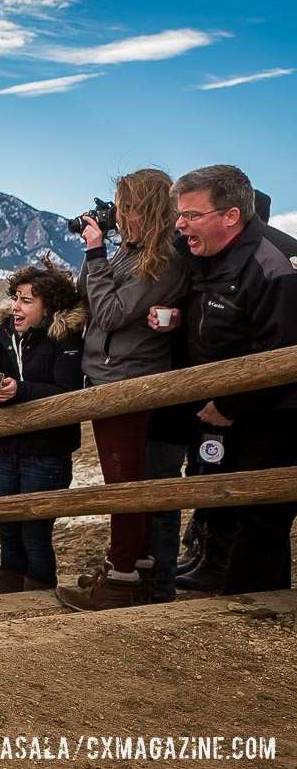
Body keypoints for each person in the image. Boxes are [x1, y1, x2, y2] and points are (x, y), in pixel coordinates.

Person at [152, 165, 297, 595]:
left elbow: (283, 354)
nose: (180, 225)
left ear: (231, 215)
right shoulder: (206, 251)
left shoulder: (276, 265)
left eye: (191, 215)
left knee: (260, 509)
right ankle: (222, 576)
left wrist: (232, 405)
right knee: (224, 497)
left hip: (276, 413)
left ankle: (255, 605)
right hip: (222, 405)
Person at [56, 169, 187, 611]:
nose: (117, 215)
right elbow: (85, 296)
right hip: (110, 375)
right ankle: (139, 569)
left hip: (127, 382)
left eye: (124, 207)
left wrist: (96, 251)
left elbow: (110, 315)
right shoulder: (131, 255)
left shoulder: (164, 261)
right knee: (132, 480)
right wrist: (98, 254)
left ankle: (121, 578)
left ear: (143, 210)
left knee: (121, 484)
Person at [0, 261, 85, 593]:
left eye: (27, 300)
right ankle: (8, 604)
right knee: (9, 530)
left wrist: (20, 390)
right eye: (16, 297)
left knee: (35, 534)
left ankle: (38, 609)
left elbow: (68, 393)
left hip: (47, 452)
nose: (17, 306)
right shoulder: (2, 336)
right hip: (9, 448)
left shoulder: (65, 339)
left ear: (49, 307)